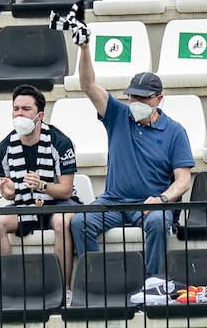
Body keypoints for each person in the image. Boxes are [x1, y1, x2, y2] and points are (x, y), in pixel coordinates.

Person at [70, 42, 194, 279]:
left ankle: (152, 284)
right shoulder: (117, 114)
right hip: (113, 200)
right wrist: (85, 49)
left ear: (159, 99)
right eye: (133, 96)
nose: (136, 102)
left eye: (144, 98)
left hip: (150, 204)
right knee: (80, 222)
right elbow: (87, 84)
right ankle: (96, 281)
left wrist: (162, 199)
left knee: (159, 222)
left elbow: (184, 180)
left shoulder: (175, 131)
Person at [0, 85, 80, 289]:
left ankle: (63, 290)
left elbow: (65, 190)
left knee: (63, 222)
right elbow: (12, 191)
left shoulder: (61, 142)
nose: (19, 114)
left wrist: (43, 186)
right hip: (25, 205)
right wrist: (9, 193)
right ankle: (5, 290)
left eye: (26, 109)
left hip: (57, 203)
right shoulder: (4, 148)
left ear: (40, 115)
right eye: (16, 109)